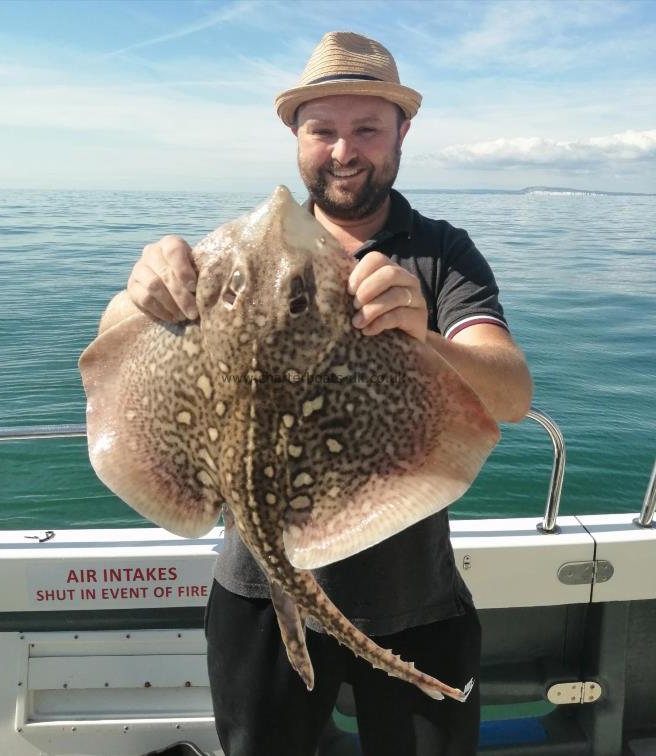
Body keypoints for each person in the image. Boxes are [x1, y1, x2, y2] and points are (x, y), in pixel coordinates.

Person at [102, 31, 533, 756]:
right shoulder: (227, 255)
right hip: (253, 594)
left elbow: (513, 394)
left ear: (402, 132)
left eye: (366, 128)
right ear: (295, 136)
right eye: (322, 130)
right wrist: (137, 291)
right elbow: (119, 346)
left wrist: (423, 335)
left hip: (415, 601)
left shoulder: (440, 253)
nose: (343, 150)